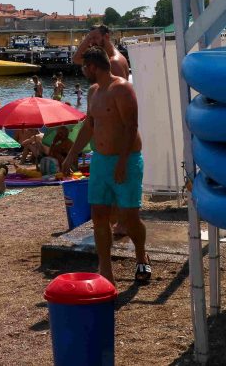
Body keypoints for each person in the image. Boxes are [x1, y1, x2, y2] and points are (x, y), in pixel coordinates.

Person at [61, 47, 149, 284]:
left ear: (92, 66)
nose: (82, 71)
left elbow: (131, 127)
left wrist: (121, 162)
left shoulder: (121, 88)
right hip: (100, 160)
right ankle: (105, 269)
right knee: (98, 215)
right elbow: (89, 126)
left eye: (84, 67)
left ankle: (141, 256)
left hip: (126, 159)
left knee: (129, 217)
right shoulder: (93, 92)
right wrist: (71, 155)